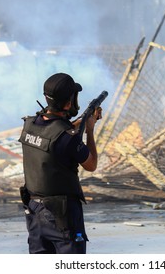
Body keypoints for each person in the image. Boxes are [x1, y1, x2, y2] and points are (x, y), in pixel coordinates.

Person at [18, 72, 101, 254]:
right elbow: (91, 164)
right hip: (62, 217)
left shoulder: (30, 125)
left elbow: (53, 134)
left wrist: (80, 122)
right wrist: (90, 130)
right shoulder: (68, 138)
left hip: (34, 214)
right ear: (69, 103)